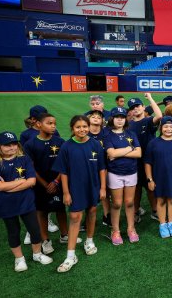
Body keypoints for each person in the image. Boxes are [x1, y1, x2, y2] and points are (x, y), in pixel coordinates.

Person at [0, 131, 53, 272]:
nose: (11, 147)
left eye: (14, 144)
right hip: (6, 205)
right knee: (13, 232)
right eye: (7, 145)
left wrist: (8, 186)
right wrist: (20, 181)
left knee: (35, 230)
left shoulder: (25, 159)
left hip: (26, 202)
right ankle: (19, 259)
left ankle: (37, 254)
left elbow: (31, 181)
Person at [53, 115, 106, 273]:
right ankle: (70, 256)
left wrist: (103, 188)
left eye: (85, 126)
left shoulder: (95, 144)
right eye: (78, 127)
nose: (82, 129)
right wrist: (66, 192)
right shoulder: (67, 146)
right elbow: (63, 172)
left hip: (93, 186)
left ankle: (89, 241)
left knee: (92, 211)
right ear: (72, 129)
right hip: (75, 188)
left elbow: (102, 168)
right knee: (75, 217)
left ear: (89, 127)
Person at [24, 112, 66, 254]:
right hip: (40, 185)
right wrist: (44, 183)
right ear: (38, 124)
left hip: (58, 182)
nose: (53, 126)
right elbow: (30, 167)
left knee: (60, 208)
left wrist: (55, 181)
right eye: (49, 123)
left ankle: (64, 235)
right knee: (42, 211)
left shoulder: (60, 142)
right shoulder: (30, 144)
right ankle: (46, 240)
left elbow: (65, 164)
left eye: (54, 123)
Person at [145, 118, 172, 239]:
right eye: (165, 127)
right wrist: (150, 179)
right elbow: (148, 163)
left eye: (171, 127)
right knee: (161, 200)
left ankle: (171, 223)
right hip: (158, 178)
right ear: (161, 128)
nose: (168, 129)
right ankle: (162, 224)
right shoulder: (153, 143)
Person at [103, 107, 142, 245]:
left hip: (131, 172)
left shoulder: (131, 133)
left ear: (126, 119)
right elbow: (111, 154)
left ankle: (131, 229)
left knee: (130, 202)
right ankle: (116, 230)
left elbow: (139, 153)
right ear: (112, 119)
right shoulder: (108, 135)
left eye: (122, 116)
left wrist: (119, 152)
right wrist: (129, 148)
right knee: (117, 203)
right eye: (117, 116)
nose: (120, 119)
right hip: (115, 173)